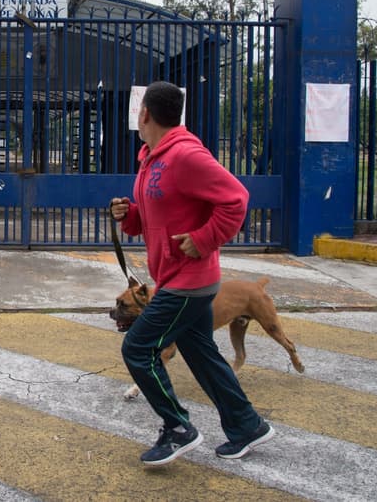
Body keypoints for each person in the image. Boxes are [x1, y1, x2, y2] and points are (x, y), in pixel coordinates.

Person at [109, 80, 274, 467]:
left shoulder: (184, 155)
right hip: (176, 277)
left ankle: (178, 428)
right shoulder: (153, 156)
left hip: (189, 281)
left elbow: (237, 199)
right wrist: (129, 214)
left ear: (145, 113)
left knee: (137, 348)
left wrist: (203, 239)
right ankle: (247, 425)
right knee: (202, 354)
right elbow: (162, 213)